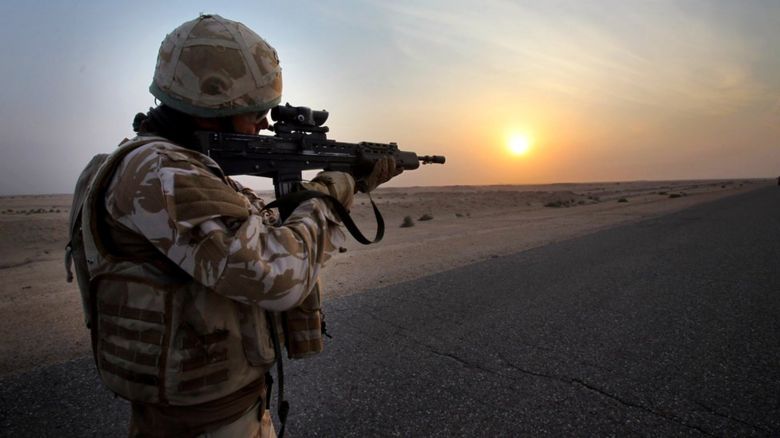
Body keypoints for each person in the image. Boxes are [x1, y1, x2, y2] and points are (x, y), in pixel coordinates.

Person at [68, 14, 399, 437]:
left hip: (219, 408)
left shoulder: (164, 164)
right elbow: (280, 276)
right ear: (212, 108)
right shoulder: (161, 173)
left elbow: (245, 237)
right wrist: (337, 189)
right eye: (253, 111)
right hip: (201, 425)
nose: (263, 122)